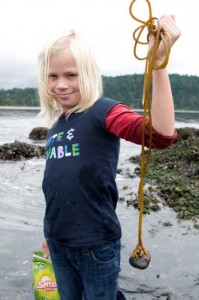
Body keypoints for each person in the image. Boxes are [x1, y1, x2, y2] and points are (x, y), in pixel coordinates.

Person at [39, 14, 181, 300]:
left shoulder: (104, 111)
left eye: (71, 74)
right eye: (53, 76)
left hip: (97, 245)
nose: (61, 84)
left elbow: (161, 135)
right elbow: (56, 185)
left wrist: (158, 65)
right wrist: (49, 234)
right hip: (58, 242)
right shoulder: (56, 125)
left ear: (88, 72)